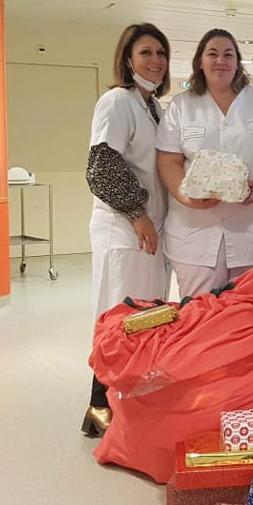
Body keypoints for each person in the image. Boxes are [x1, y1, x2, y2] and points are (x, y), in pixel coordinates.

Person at [156, 28, 253, 298]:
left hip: (252, 229)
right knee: (199, 315)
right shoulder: (181, 106)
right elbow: (168, 159)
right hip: (195, 232)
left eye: (228, 55)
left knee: (249, 315)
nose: (220, 61)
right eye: (212, 54)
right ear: (200, 61)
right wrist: (184, 195)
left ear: (237, 63)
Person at [83, 23, 171, 436]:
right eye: (146, 53)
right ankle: (99, 404)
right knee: (118, 316)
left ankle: (127, 403)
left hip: (147, 233)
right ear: (127, 59)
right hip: (124, 231)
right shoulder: (117, 100)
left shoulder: (153, 107)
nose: (155, 61)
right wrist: (137, 214)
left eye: (161, 53)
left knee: (143, 317)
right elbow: (102, 164)